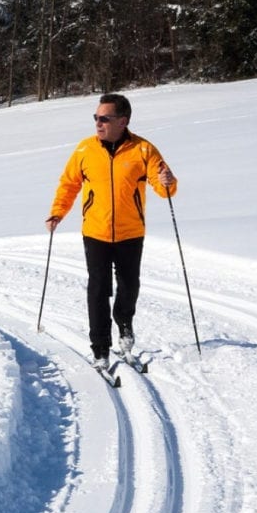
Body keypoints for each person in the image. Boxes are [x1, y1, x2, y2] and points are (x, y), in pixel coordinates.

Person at [45, 93, 177, 370]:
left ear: (122, 121)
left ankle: (125, 325)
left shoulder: (143, 150)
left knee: (129, 288)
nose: (98, 123)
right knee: (98, 289)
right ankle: (100, 346)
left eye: (104, 118)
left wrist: (168, 181)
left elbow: (162, 184)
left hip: (131, 232)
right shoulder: (85, 150)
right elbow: (69, 184)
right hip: (96, 232)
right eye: (96, 117)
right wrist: (58, 212)